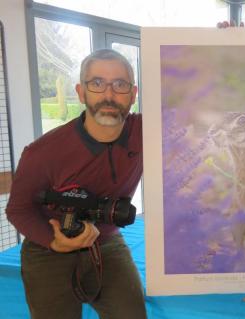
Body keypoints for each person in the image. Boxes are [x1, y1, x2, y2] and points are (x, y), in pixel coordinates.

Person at [6, 49, 146, 319]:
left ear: (133, 93)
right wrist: (53, 241)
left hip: (105, 240)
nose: (108, 95)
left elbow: (201, 110)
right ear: (81, 92)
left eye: (120, 84)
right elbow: (18, 209)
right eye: (96, 84)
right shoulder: (43, 152)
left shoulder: (147, 131)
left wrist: (232, 42)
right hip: (49, 248)